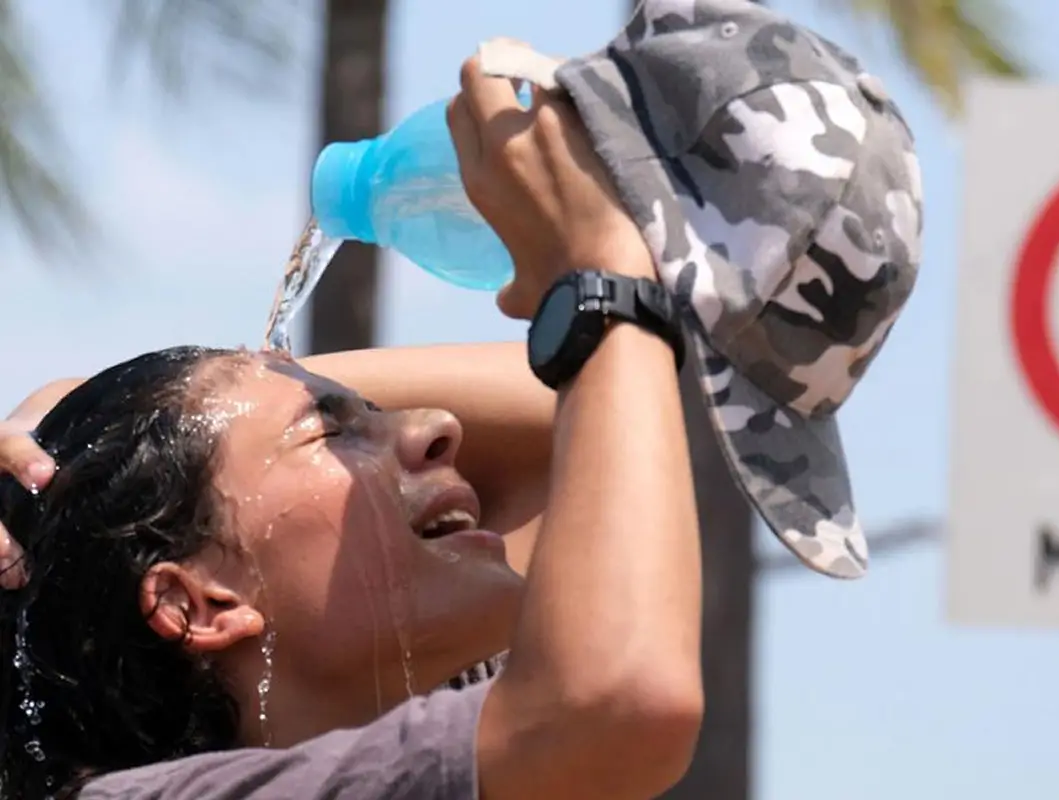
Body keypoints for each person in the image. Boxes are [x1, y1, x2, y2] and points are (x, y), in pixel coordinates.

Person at [1, 0, 923, 796]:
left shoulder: (425, 707)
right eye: (333, 427)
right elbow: (618, 698)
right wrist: (605, 277)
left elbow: (585, 413)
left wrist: (81, 417)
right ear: (197, 605)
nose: (440, 428)